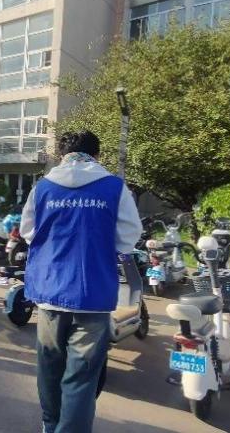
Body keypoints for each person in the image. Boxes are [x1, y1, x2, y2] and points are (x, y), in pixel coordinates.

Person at [20, 131, 142, 433]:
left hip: (50, 290)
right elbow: (128, 236)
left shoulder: (42, 187)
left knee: (50, 366)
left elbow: (29, 232)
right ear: (96, 155)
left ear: (62, 155)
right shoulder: (115, 187)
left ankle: (50, 425)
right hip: (93, 293)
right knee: (82, 375)